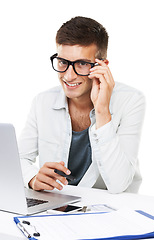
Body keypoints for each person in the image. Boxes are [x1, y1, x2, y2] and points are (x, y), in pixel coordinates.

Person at [18, 16, 145, 194]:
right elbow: (18, 160)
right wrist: (33, 178)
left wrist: (102, 111)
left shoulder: (131, 100)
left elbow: (119, 185)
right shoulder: (42, 102)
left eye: (82, 64)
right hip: (57, 204)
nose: (69, 76)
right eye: (63, 62)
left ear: (102, 65)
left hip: (110, 210)